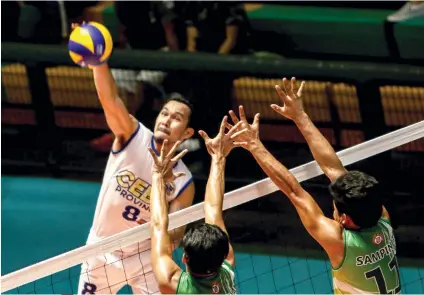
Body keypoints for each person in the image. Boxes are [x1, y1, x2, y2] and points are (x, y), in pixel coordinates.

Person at [226, 78, 401, 294]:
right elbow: (333, 168)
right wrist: (300, 116)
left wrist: (254, 145)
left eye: (336, 206)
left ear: (344, 219)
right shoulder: (382, 218)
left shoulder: (339, 241)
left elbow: (294, 191)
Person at [77, 61, 196, 294]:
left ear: (187, 132)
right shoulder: (133, 134)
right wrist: (99, 64)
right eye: (164, 113)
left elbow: (172, 239)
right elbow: (110, 100)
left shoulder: (183, 182)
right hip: (102, 249)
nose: (166, 120)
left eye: (176, 118)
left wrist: (157, 228)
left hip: (146, 258)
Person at [149, 116, 244, 294]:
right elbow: (213, 211)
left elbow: (158, 226)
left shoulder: (172, 282)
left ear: (184, 258)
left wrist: (157, 175)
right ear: (224, 255)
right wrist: (218, 157)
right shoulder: (225, 272)